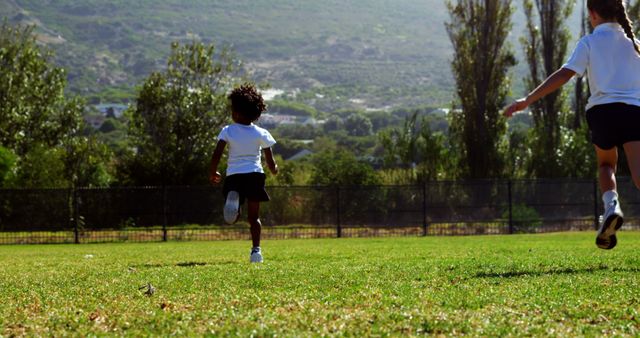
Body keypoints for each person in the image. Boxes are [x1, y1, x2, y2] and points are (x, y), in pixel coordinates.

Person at [504, 0, 640, 250]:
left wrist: (527, 100)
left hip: (602, 113)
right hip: (634, 112)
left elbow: (564, 74)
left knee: (606, 164)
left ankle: (612, 206)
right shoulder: (635, 45)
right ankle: (612, 209)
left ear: (592, 13)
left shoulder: (589, 42)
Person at [210, 83, 278, 262]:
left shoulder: (228, 130)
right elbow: (269, 157)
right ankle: (256, 251)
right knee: (254, 217)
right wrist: (274, 168)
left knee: (234, 210)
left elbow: (217, 153)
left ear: (237, 113)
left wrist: (213, 171)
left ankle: (235, 207)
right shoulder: (261, 132)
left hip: (235, 175)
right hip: (255, 175)